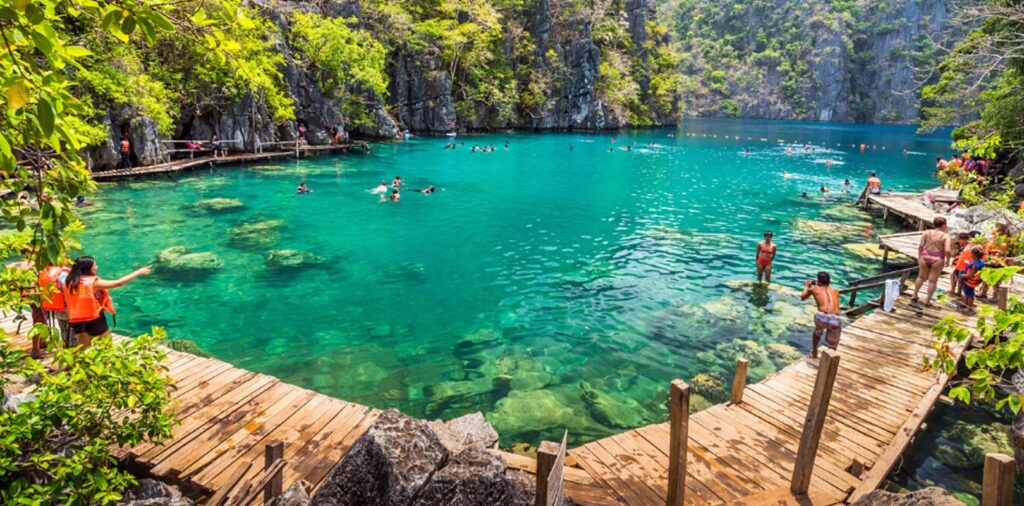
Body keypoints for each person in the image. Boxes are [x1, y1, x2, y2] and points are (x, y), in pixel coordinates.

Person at [63, 256, 150, 349]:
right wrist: (138, 272)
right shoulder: (94, 283)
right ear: (88, 268)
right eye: (95, 265)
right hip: (95, 321)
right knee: (107, 347)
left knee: (83, 350)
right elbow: (119, 283)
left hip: (77, 322)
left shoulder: (69, 281)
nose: (97, 267)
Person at [910, 217, 950, 307]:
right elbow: (947, 250)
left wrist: (919, 256)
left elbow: (921, 246)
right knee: (932, 281)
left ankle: (914, 295)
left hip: (925, 256)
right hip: (938, 258)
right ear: (943, 225)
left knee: (921, 277)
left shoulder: (926, 232)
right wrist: (947, 260)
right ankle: (927, 300)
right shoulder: (945, 236)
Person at [801, 271, 841, 358]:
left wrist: (807, 286)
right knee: (832, 344)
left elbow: (803, 297)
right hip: (835, 318)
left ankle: (814, 351)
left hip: (821, 317)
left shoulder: (814, 289)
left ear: (818, 282)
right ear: (829, 282)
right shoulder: (836, 291)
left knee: (817, 332)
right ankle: (830, 356)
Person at [39, 263, 73, 349]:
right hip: (68, 309)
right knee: (72, 335)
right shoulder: (63, 274)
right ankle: (72, 353)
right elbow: (68, 288)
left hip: (56, 308)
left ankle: (66, 350)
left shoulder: (44, 272)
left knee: (64, 332)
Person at [961, 247, 986, 313]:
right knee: (967, 292)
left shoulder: (974, 266)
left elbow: (971, 275)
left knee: (970, 294)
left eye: (971, 253)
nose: (970, 255)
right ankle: (966, 304)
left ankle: (969, 307)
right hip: (974, 281)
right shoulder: (981, 262)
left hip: (970, 281)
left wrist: (963, 276)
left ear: (974, 255)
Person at [949, 232, 972, 297]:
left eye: (959, 239)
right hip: (958, 264)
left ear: (964, 240)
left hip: (964, 265)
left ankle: (959, 292)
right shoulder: (962, 245)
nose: (958, 241)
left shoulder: (969, 246)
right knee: (953, 275)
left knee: (960, 279)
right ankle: (952, 290)